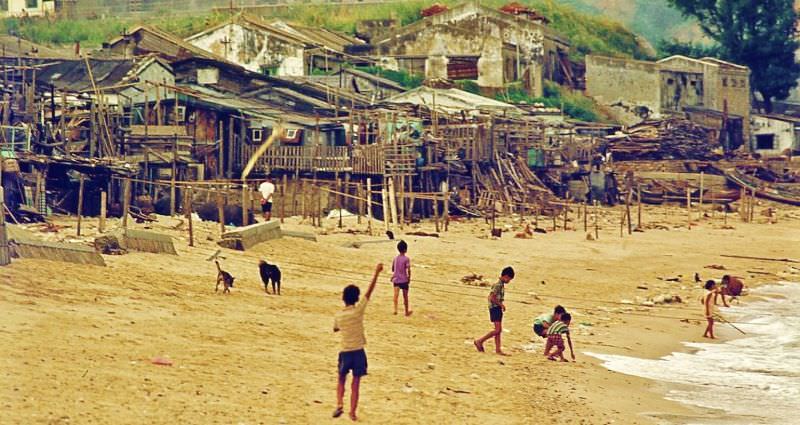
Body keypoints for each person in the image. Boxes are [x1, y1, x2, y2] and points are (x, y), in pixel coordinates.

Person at [333, 263, 383, 421]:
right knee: (356, 383)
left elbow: (335, 329)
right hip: (359, 351)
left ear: (343, 298)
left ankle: (340, 403)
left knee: (341, 378)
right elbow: (369, 291)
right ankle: (352, 412)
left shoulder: (339, 315)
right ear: (356, 298)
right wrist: (376, 272)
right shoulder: (358, 311)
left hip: (345, 351)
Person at [474, 267, 515, 356]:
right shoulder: (498, 285)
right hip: (495, 308)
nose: (509, 281)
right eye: (509, 279)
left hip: (496, 308)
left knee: (498, 330)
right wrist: (501, 304)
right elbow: (491, 297)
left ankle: (498, 349)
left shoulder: (500, 284)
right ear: (506, 276)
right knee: (497, 330)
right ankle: (480, 341)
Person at [391, 240, 412, 317]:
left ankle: (395, 309)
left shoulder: (395, 258)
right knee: (405, 296)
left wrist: (394, 275)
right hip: (404, 280)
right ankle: (406, 312)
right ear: (405, 249)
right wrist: (409, 277)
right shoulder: (406, 259)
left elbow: (393, 269)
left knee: (395, 295)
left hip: (396, 279)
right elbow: (408, 269)